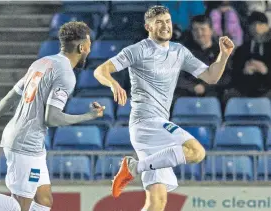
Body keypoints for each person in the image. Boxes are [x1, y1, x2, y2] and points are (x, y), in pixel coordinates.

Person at [94, 6, 234, 211]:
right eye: (159, 22)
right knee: (197, 152)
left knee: (156, 203)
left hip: (157, 126)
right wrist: (114, 84)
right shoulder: (138, 50)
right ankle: (133, 167)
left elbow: (211, 77)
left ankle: (134, 167)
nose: (165, 26)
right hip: (146, 123)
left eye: (167, 21)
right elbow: (101, 70)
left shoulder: (179, 51)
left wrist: (223, 56)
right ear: (148, 26)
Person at [0, 21, 105, 211]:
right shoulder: (66, 75)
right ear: (81, 47)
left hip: (29, 141)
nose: (89, 49)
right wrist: (89, 115)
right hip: (25, 143)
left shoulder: (42, 62)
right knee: (21, 206)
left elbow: (12, 95)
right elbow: (52, 118)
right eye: (88, 45)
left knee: (44, 201)